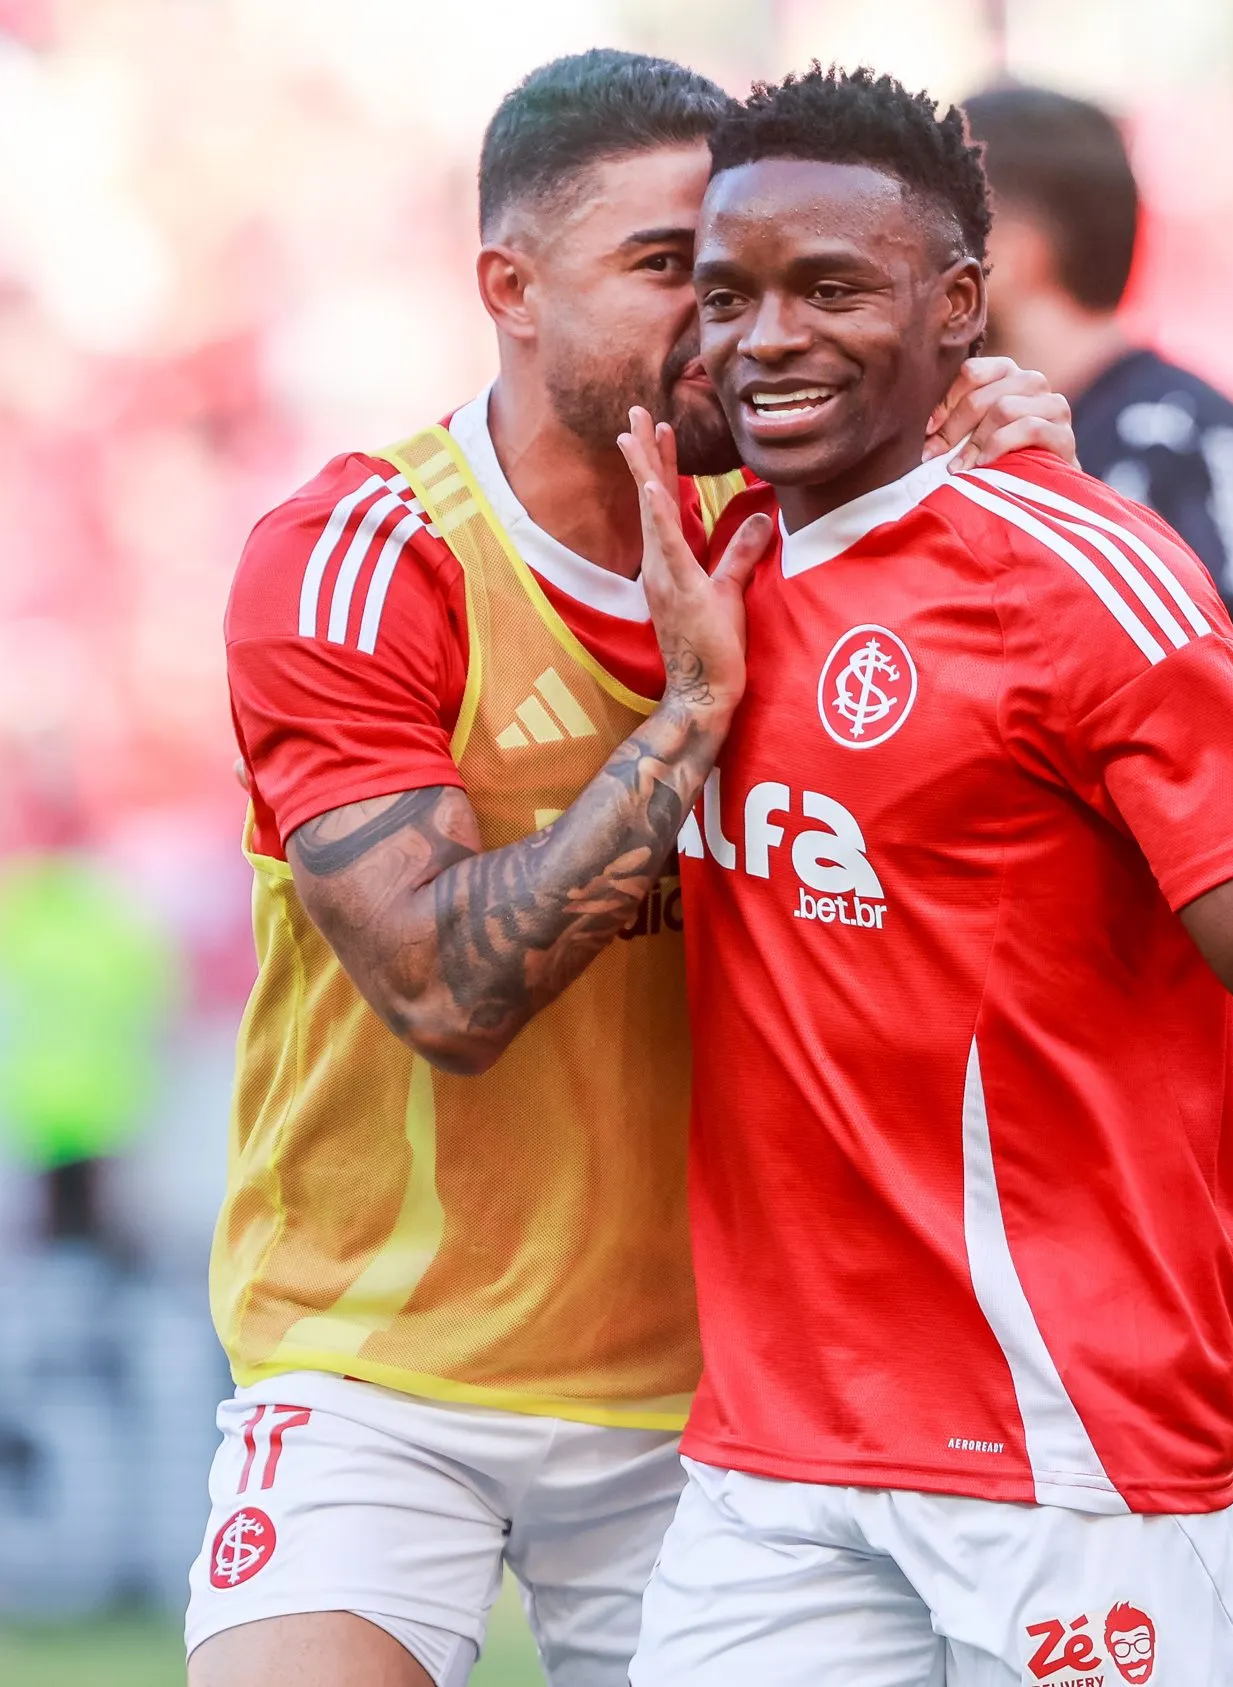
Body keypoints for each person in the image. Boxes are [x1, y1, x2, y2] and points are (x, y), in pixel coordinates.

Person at [624, 67, 1233, 1686]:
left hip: (1060, 1442)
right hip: (774, 1456)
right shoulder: (711, 568)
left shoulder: (1080, 576)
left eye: (832, 288)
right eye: (730, 295)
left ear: (959, 308)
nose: (767, 335)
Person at [191, 50, 1072, 1687]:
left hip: (719, 1405)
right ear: (508, 288)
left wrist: (1032, 488)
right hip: (377, 1368)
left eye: (738, 273)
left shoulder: (834, 534)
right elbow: (444, 988)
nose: (723, 323)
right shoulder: (361, 558)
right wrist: (689, 723)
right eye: (671, 270)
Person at [965, 81, 1233, 1687]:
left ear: (1018, 239)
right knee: (1041, 1550)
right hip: (1063, 1088)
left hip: (1202, 1093)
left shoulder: (1174, 439)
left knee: (1094, 1540)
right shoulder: (973, 457)